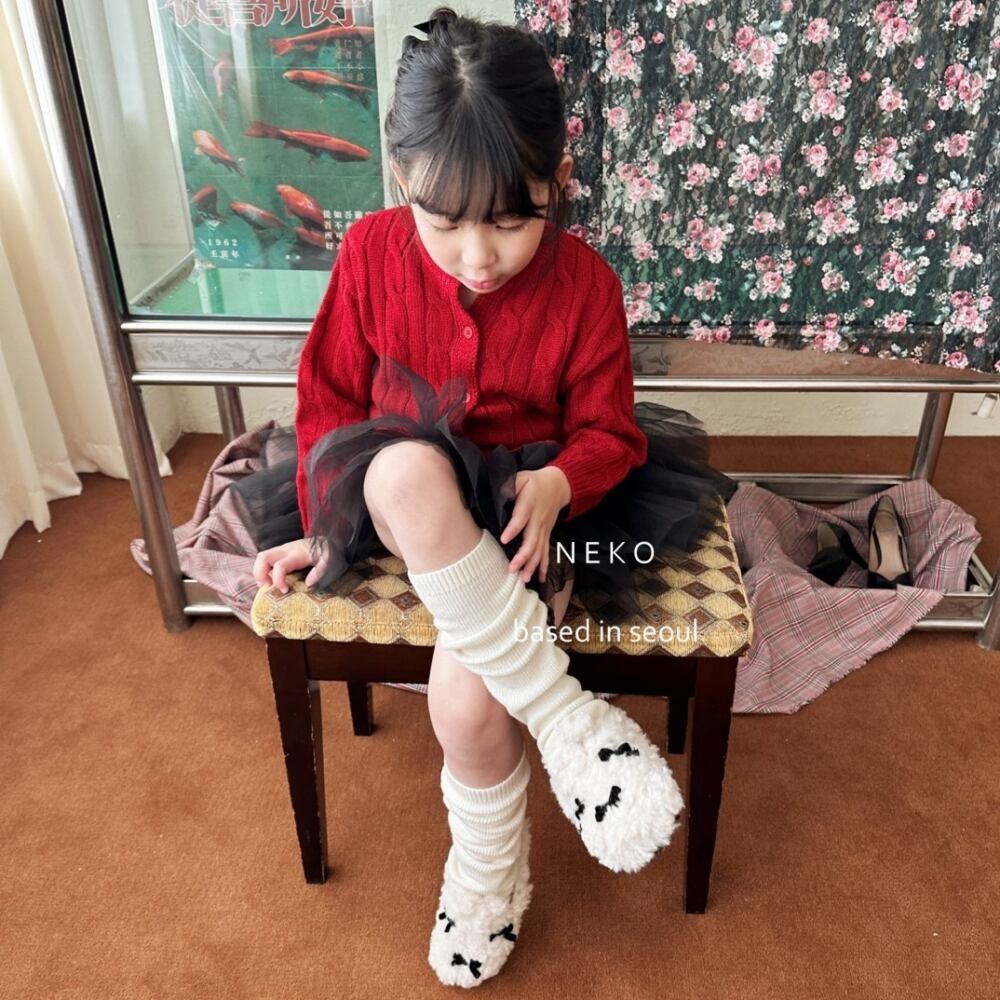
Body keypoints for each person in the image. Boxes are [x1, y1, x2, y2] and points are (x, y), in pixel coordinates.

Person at [242, 7, 737, 987]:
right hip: (402, 506)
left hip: (526, 523)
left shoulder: (585, 284)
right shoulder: (369, 255)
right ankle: (564, 716)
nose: (477, 255)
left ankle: (487, 874)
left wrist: (559, 482)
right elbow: (328, 403)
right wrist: (323, 531)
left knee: (467, 703)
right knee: (402, 465)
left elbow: (612, 432)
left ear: (557, 180)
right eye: (445, 223)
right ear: (402, 183)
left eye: (511, 221)